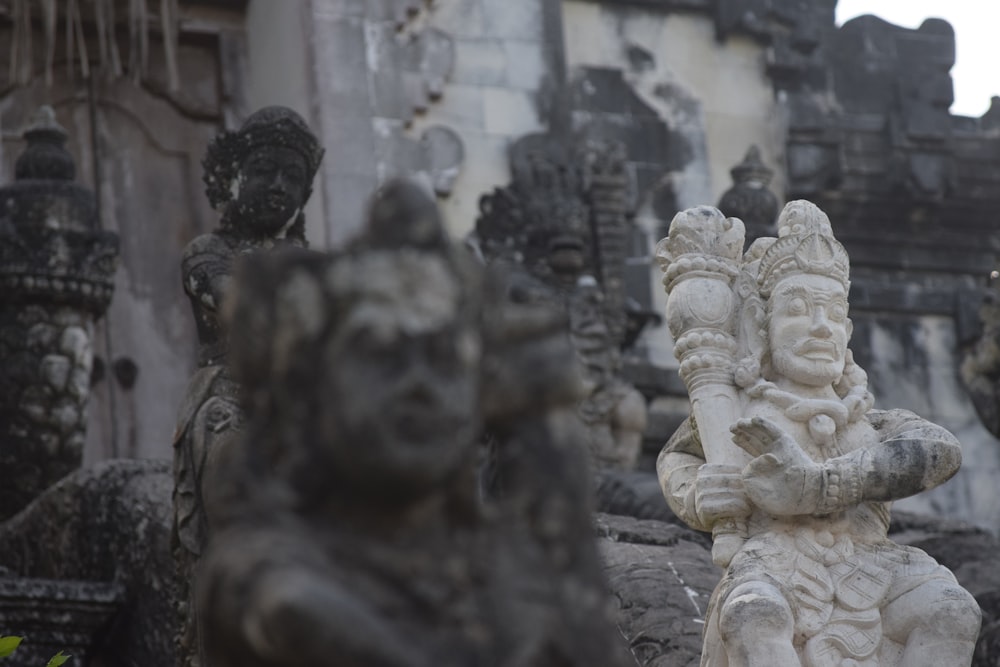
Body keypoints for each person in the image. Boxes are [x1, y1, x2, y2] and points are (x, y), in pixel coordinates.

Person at [659, 201, 980, 666]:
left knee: (952, 610)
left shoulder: (870, 419)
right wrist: (696, 493)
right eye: (797, 309)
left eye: (833, 313)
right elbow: (677, 456)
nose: (819, 327)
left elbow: (940, 452)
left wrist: (820, 484)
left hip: (872, 562)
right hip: (773, 563)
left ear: (848, 331)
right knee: (754, 617)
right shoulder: (739, 414)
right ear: (762, 326)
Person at [171, 105, 323, 667]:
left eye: (293, 177)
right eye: (265, 171)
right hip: (230, 406)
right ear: (235, 176)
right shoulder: (208, 255)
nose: (279, 186)